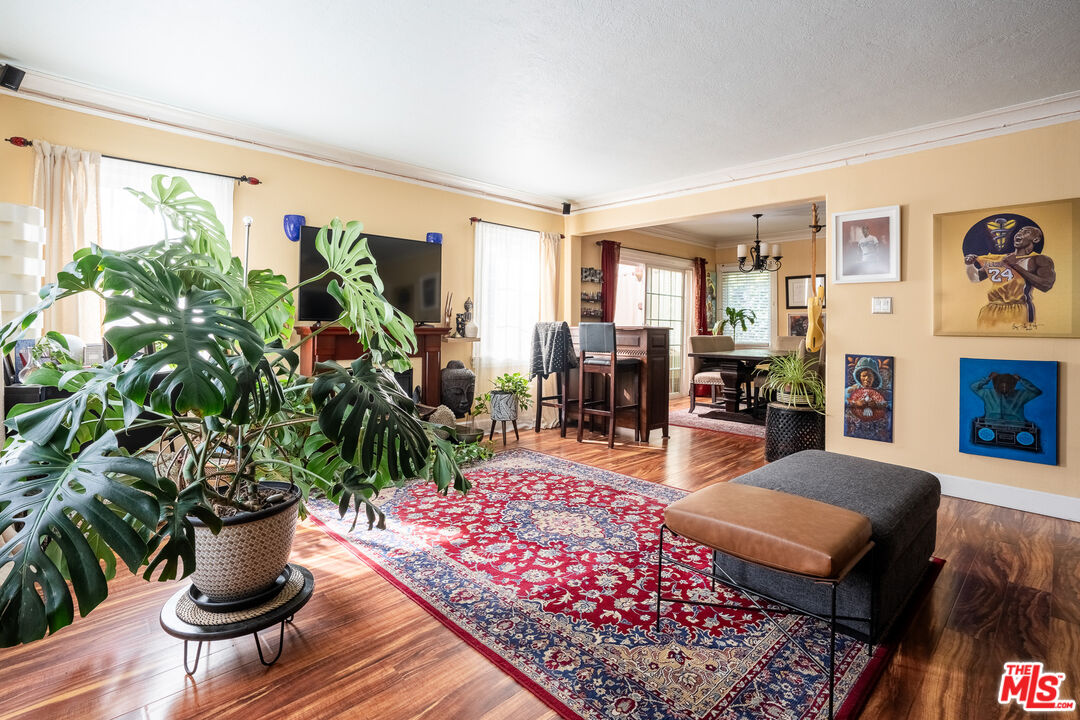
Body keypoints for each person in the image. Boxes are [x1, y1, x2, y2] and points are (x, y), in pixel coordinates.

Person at [964, 223, 1056, 329]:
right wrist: (969, 265)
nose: (1020, 233)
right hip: (990, 309)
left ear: (1035, 239)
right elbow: (975, 278)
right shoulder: (1000, 259)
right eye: (1020, 231)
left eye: (1026, 232)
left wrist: (1015, 266)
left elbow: (1046, 285)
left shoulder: (1039, 259)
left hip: (1018, 308)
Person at [969, 372, 1041, 424]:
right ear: (996, 386)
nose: (1004, 389)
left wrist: (1021, 380)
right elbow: (973, 387)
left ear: (1012, 386)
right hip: (992, 425)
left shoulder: (1020, 394)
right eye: (1001, 387)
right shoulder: (988, 393)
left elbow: (1037, 392)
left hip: (1016, 427)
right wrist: (988, 378)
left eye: (1007, 387)